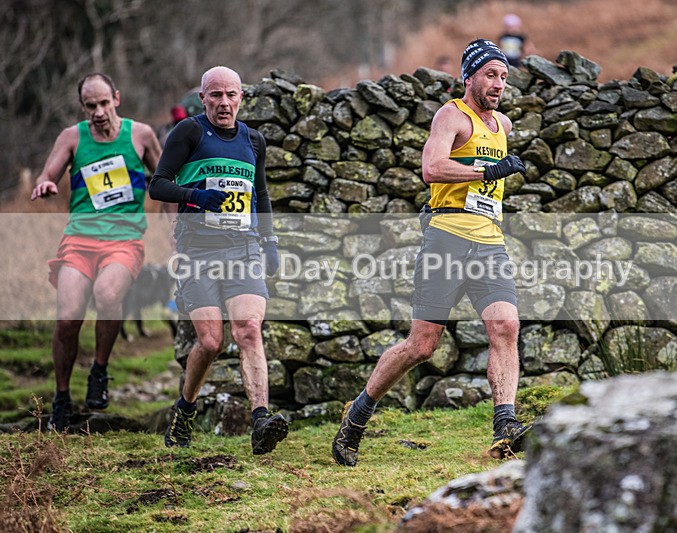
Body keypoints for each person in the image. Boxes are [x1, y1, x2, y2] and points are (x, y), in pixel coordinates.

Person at [332, 39, 530, 467]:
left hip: (489, 240)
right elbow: (432, 168)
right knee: (422, 345)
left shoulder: (504, 125)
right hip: (446, 238)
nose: (498, 84)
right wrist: (489, 170)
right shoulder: (451, 115)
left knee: (505, 325)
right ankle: (358, 414)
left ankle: (506, 426)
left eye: (503, 77)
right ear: (470, 77)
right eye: (490, 75)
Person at [149, 66, 287, 455]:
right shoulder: (189, 132)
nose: (224, 103)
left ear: (242, 97)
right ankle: (185, 409)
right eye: (215, 95)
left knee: (248, 329)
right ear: (203, 98)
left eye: (231, 95)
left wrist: (270, 242)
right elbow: (157, 184)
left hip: (243, 248)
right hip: (198, 252)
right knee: (210, 342)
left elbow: (260, 195)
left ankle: (261, 419)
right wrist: (194, 197)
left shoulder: (254, 140)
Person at [30, 73, 162, 432]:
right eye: (91, 106)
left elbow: (165, 179)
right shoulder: (73, 137)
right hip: (80, 241)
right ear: (83, 107)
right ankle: (60, 398)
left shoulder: (141, 135)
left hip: (124, 240)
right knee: (69, 318)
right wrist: (45, 183)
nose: (99, 112)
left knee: (107, 294)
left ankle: (99, 370)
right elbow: (49, 173)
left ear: (116, 98)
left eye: (104, 103)